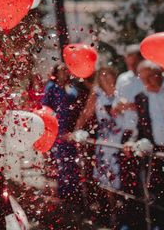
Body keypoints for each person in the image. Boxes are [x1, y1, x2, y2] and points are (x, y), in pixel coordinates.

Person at [131, 60, 164, 229]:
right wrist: (133, 141)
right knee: (157, 194)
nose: (146, 83)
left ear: (158, 73)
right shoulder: (141, 97)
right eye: (142, 79)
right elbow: (141, 127)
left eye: (149, 78)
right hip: (156, 152)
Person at [75, 63, 121, 226]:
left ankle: (122, 214)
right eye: (102, 76)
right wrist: (76, 130)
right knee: (106, 178)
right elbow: (86, 114)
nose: (105, 78)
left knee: (122, 178)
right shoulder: (97, 94)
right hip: (104, 140)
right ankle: (110, 213)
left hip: (121, 137)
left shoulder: (121, 91)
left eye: (108, 75)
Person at [41, 63, 84, 204]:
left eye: (66, 71)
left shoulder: (72, 87)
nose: (64, 73)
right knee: (61, 162)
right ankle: (63, 194)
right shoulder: (51, 87)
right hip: (58, 129)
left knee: (72, 162)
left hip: (71, 129)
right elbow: (45, 107)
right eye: (62, 71)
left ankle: (74, 194)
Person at [113, 44, 145, 198]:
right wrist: (118, 107)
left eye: (133, 63)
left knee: (146, 178)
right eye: (128, 63)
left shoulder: (147, 77)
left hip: (143, 132)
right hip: (126, 131)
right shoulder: (122, 78)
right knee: (128, 178)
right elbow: (115, 104)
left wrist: (131, 106)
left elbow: (150, 104)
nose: (131, 66)